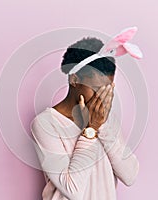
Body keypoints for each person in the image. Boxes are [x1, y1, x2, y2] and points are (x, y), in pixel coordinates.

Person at [31, 37, 139, 200]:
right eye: (96, 88)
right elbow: (72, 189)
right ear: (74, 79)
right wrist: (91, 130)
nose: (101, 97)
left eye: (107, 89)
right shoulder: (46, 124)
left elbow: (130, 175)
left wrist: (102, 126)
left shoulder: (104, 119)